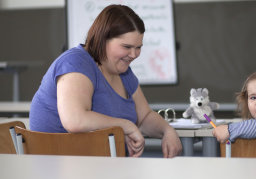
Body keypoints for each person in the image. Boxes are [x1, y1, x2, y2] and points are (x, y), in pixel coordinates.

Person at [29, 4, 182, 158]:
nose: (134, 54)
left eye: (138, 47)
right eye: (127, 47)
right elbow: (75, 121)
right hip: (62, 169)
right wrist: (125, 125)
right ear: (103, 39)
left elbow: (144, 117)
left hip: (102, 168)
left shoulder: (125, 73)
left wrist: (167, 131)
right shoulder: (75, 62)